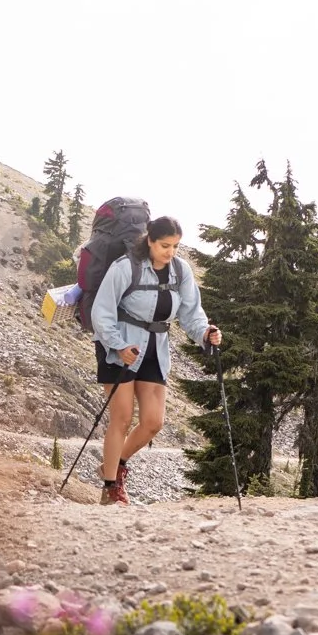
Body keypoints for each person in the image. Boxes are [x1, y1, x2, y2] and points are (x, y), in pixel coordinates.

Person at [89, 215, 220, 505]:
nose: (170, 252)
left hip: (154, 348)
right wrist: (118, 345)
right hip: (119, 347)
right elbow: (102, 312)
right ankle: (111, 488)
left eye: (175, 246)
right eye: (164, 245)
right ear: (150, 240)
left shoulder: (180, 271)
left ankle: (117, 463)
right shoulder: (125, 267)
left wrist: (205, 333)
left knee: (153, 422)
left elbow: (190, 312)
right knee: (121, 418)